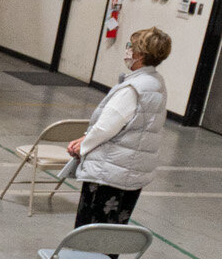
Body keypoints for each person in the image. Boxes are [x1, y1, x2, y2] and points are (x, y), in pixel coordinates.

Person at [67, 26, 172, 228]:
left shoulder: (132, 89)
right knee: (113, 233)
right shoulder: (156, 82)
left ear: (140, 54)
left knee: (90, 233)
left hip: (109, 174)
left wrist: (83, 145)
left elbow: (106, 127)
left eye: (130, 46)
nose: (128, 50)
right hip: (133, 173)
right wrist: (86, 139)